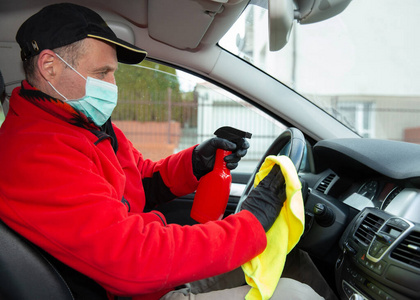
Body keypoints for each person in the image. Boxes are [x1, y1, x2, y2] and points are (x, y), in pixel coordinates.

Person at [0, 3, 325, 300]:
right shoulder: (34, 153)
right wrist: (252, 223)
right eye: (102, 73)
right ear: (49, 67)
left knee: (292, 256)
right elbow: (133, 259)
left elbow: (139, 177)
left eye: (113, 73)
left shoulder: (78, 122)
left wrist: (196, 162)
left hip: (148, 279)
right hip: (134, 290)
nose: (112, 85)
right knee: (296, 294)